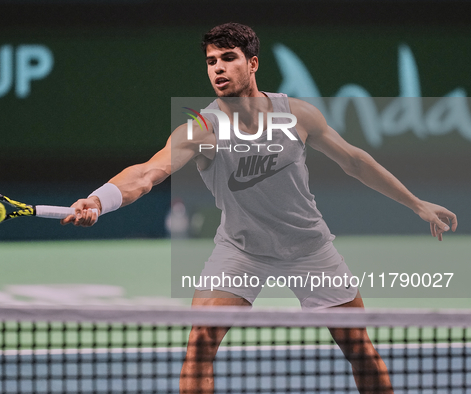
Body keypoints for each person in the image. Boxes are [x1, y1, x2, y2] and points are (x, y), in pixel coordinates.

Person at [62, 23, 457, 394]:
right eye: (211, 62)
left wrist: (417, 203)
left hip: (309, 249)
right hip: (241, 249)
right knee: (200, 342)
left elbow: (354, 161)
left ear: (252, 63)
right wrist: (100, 199)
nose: (218, 69)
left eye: (228, 58)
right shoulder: (201, 128)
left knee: (359, 347)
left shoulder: (297, 114)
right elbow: (148, 172)